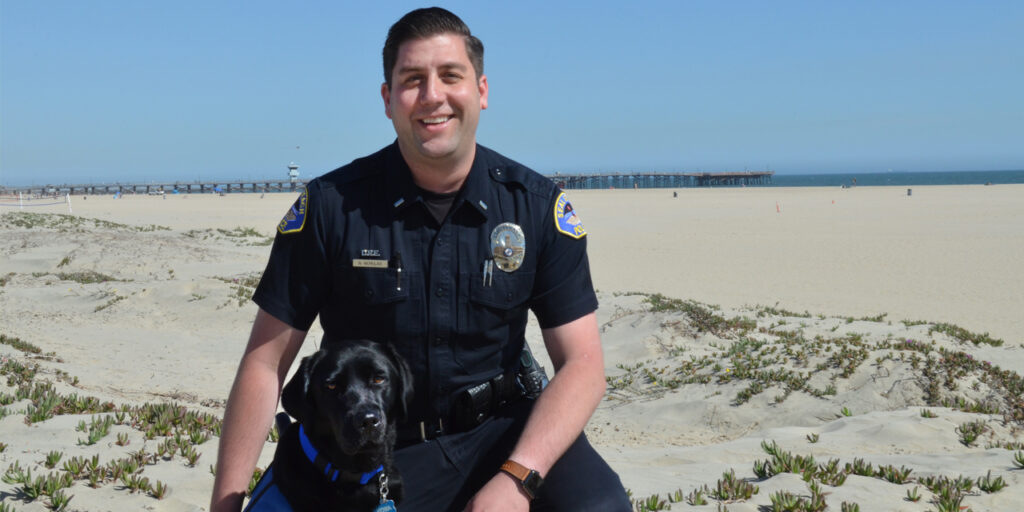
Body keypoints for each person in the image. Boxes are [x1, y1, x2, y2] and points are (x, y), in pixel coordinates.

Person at [210, 7, 630, 512]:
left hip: (509, 430)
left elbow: (583, 365)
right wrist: (225, 505)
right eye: (413, 80)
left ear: (481, 90)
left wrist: (516, 479)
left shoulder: (535, 208)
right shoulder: (330, 209)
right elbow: (265, 363)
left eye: (451, 76)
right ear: (388, 100)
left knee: (600, 507)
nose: (433, 96)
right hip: (378, 446)